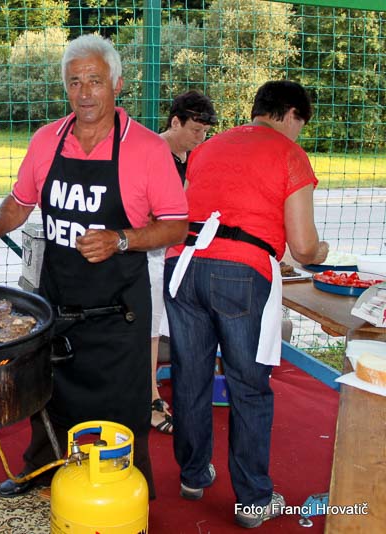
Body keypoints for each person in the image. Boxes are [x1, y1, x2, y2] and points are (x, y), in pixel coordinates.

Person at [0, 34, 189, 499]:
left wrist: (121, 239)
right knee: (48, 391)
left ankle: (125, 492)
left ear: (117, 84)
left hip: (119, 312)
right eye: (74, 82)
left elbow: (176, 225)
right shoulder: (47, 140)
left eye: (95, 81)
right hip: (58, 298)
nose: (84, 93)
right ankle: (41, 471)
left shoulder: (146, 149)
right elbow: (21, 201)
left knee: (121, 408)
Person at [163, 80, 329, 528]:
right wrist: (321, 252)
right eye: (300, 123)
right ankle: (254, 499)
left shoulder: (208, 147)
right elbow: (303, 246)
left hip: (182, 265)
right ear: (290, 114)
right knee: (248, 386)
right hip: (239, 274)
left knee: (190, 375)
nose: (298, 132)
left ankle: (193, 475)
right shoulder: (289, 154)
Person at [149, 90, 217, 435]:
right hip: (152, 253)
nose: (200, 138)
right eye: (195, 130)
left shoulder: (196, 157)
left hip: (185, 252)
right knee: (151, 330)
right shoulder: (150, 152)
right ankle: (149, 398)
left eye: (205, 131)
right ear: (175, 122)